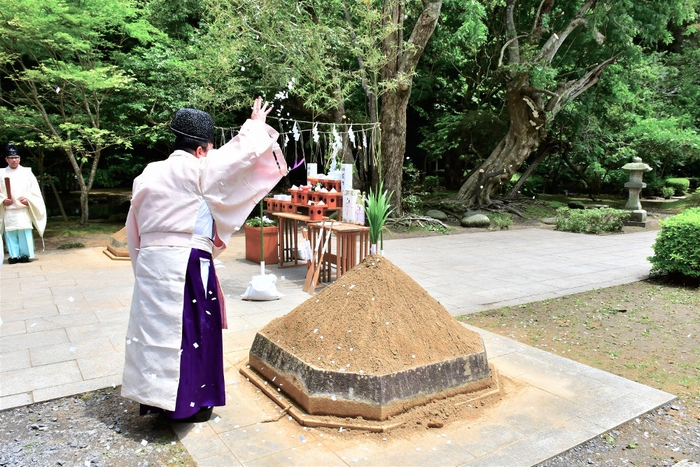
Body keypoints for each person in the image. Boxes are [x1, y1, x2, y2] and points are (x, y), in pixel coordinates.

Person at [121, 98, 287, 423]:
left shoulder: (147, 174)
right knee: (194, 330)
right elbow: (241, 154)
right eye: (210, 149)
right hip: (189, 261)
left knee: (156, 331)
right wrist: (254, 123)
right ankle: (192, 404)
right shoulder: (201, 167)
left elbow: (132, 229)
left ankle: (156, 400)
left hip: (152, 263)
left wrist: (141, 268)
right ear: (201, 149)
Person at [0, 143, 47, 264]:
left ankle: (25, 255)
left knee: (24, 232)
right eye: (11, 158)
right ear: (6, 159)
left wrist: (28, 200)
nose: (14, 160)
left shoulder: (27, 173)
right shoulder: (1, 173)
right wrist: (3, 199)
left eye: (16, 157)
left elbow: (35, 191)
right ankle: (13, 255)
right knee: (10, 233)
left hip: (22, 208)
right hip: (8, 209)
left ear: (19, 159)